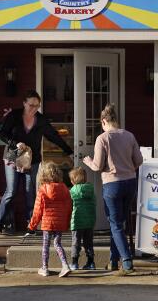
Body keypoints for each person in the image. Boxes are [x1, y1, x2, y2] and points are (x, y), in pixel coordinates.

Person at [0, 90, 73, 233]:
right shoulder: (14, 116)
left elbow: (53, 136)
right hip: (13, 157)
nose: (33, 108)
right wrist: (15, 143)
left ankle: (30, 225)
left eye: (37, 106)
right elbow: (2, 134)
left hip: (32, 160)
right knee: (11, 191)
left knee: (30, 191)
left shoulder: (41, 120)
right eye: (31, 105)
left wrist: (68, 150)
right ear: (24, 103)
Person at [82, 103, 143, 275]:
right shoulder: (129, 136)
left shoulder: (103, 138)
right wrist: (126, 166)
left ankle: (127, 260)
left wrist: (87, 161)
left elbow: (97, 166)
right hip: (130, 182)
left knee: (115, 225)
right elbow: (139, 161)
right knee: (119, 224)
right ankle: (113, 261)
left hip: (112, 185)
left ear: (103, 121)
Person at [28, 161, 73, 277]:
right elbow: (69, 207)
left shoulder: (43, 189)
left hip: (47, 223)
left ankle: (45, 268)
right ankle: (65, 265)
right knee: (57, 243)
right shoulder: (64, 188)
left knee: (45, 245)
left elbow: (37, 209)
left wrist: (32, 225)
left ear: (43, 175)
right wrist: (67, 222)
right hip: (60, 222)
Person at [68, 167, 96, 270]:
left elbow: (69, 206)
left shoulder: (72, 191)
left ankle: (74, 263)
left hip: (77, 222)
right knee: (89, 243)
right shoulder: (91, 189)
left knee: (76, 243)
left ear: (73, 180)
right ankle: (91, 262)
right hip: (89, 221)